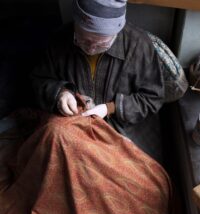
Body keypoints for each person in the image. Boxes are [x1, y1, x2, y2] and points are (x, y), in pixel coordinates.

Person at [31, 0, 165, 149]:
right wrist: (60, 93)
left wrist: (110, 108)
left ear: (116, 33)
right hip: (74, 124)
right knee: (55, 142)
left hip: (120, 128)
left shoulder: (139, 45)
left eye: (102, 44)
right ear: (76, 24)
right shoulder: (59, 40)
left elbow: (153, 98)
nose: (91, 49)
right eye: (83, 40)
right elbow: (38, 80)